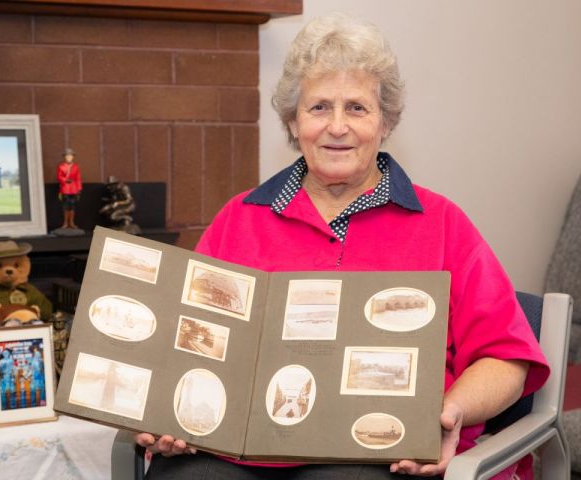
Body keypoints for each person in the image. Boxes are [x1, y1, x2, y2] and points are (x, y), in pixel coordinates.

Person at [135, 12, 549, 479]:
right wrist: (165, 407)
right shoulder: (239, 219)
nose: (337, 127)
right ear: (293, 122)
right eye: (318, 108)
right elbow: (186, 345)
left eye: (356, 107)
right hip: (236, 450)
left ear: (385, 122)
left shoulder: (442, 224)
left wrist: (450, 411)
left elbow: (507, 357)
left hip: (378, 451)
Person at [56, 148, 82, 230]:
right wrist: (64, 180)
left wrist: (79, 189)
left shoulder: (76, 167)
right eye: (67, 156)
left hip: (73, 189)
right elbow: (59, 176)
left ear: (73, 157)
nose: (69, 157)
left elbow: (78, 178)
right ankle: (65, 223)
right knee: (65, 207)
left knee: (72, 207)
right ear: (64, 157)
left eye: (70, 156)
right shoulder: (61, 166)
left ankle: (72, 223)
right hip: (65, 188)